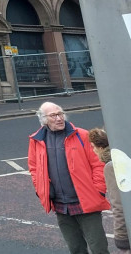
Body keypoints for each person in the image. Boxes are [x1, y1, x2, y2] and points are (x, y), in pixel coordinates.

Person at [28, 102, 109, 254]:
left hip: (86, 202)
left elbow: (99, 164)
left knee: (99, 248)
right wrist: (41, 190)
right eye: (54, 115)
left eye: (61, 114)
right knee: (76, 249)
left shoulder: (82, 135)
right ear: (44, 119)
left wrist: (98, 191)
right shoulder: (36, 140)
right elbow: (34, 168)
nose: (59, 118)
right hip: (61, 205)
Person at [88, 127, 128, 251]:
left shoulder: (111, 166)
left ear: (100, 148)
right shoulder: (125, 156)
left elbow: (118, 203)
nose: (93, 150)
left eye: (93, 147)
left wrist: (121, 235)